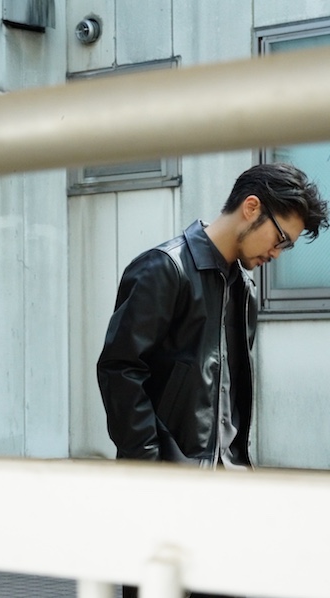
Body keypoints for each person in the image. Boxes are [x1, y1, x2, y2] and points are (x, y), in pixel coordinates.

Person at [96, 163, 329, 596]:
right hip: (165, 489)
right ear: (251, 207)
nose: (277, 254)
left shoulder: (245, 291)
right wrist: (151, 470)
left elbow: (229, 401)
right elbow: (120, 370)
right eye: (280, 239)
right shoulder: (164, 269)